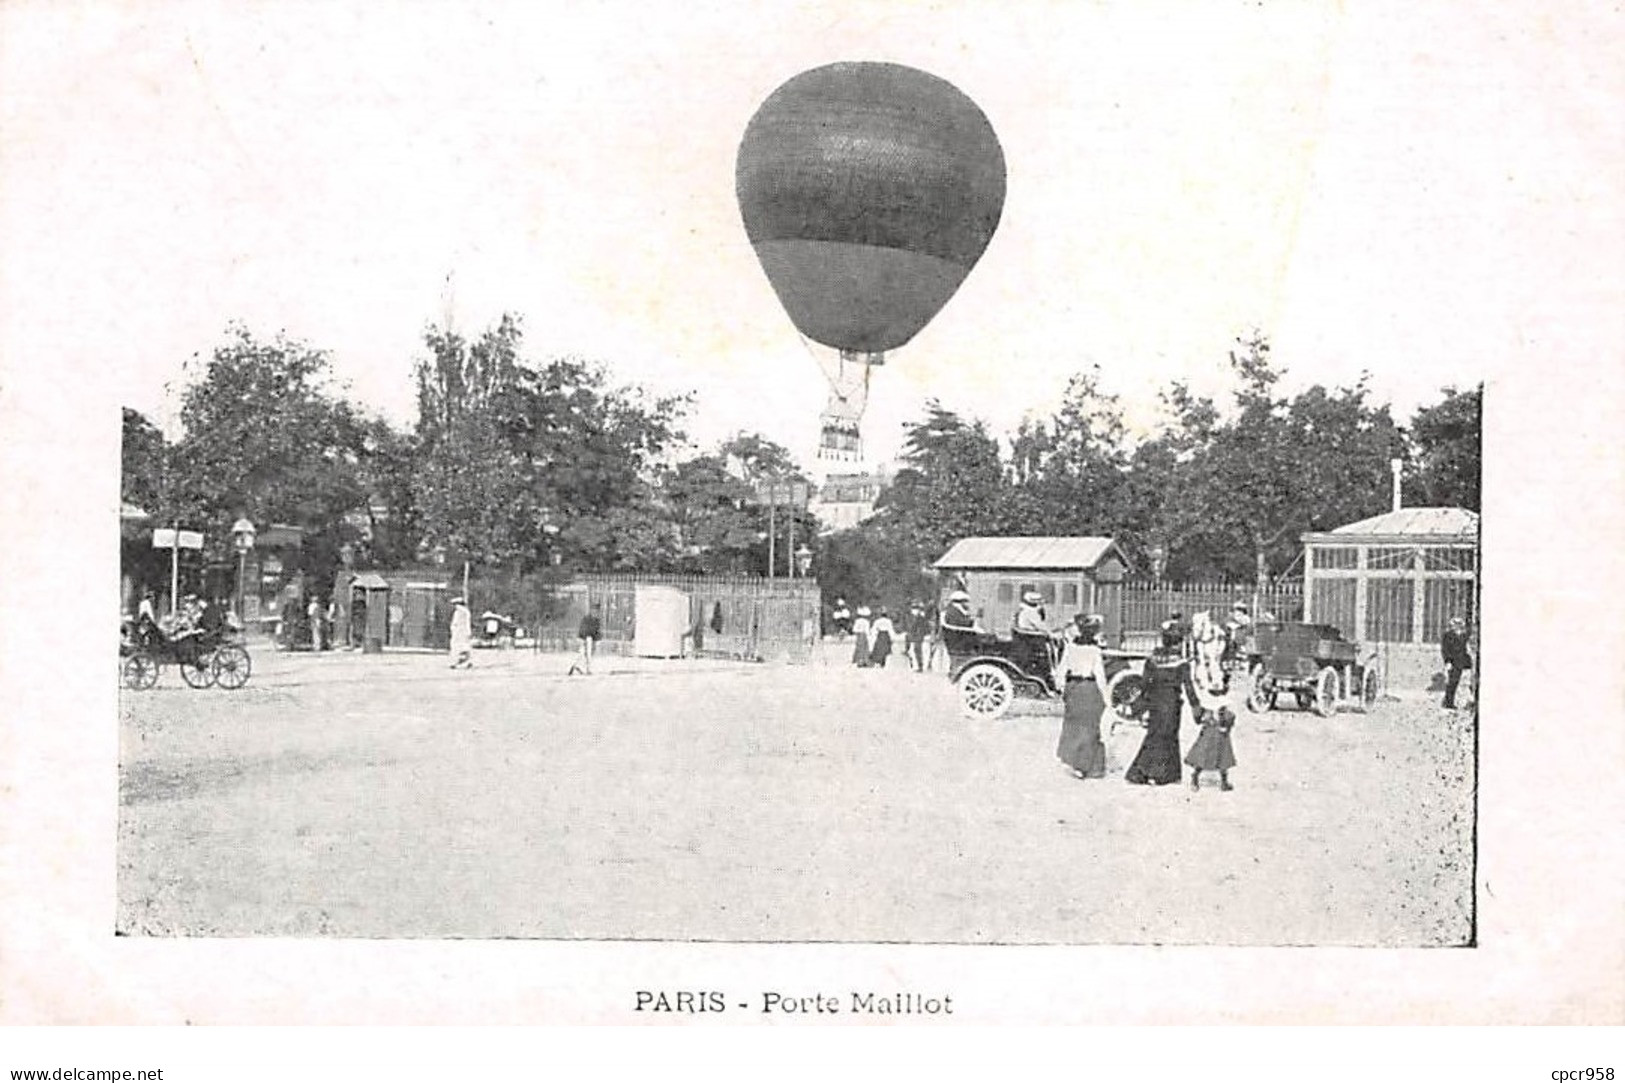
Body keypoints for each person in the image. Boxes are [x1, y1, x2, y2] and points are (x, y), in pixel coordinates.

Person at [1125, 619, 1200, 786]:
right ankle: (1165, 774)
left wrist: (1139, 701)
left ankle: (1142, 771)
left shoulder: (1152, 660)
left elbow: (1144, 683)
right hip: (1172, 704)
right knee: (1169, 737)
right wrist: (1196, 706)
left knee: (1153, 735)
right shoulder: (1181, 663)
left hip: (1155, 702)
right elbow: (1189, 688)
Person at [1055, 613, 1109, 780]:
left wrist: (1062, 688)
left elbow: (1061, 670)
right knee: (1090, 727)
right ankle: (1088, 766)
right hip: (1089, 688)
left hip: (1073, 687)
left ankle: (1072, 760)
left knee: (1073, 725)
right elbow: (1099, 675)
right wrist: (1106, 696)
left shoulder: (1071, 647)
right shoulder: (1094, 651)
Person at [1185, 630, 1238, 792]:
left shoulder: (1206, 662)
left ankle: (1203, 778)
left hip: (1211, 705)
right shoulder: (1210, 662)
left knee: (1208, 751)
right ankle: (1209, 779)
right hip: (1215, 705)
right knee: (1218, 751)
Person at [1011, 590, 1052, 682]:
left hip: (1026, 639)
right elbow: (1041, 627)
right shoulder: (1030, 613)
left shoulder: (1023, 610)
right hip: (1030, 641)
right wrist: (1051, 633)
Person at [1441, 615, 1473, 709]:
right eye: (1455, 624)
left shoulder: (1463, 635)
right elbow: (1445, 649)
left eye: (1459, 624)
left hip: (1462, 662)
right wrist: (1447, 661)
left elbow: (1466, 648)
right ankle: (1448, 702)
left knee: (1460, 682)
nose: (1457, 626)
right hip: (1452, 662)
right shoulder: (1447, 635)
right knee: (1452, 682)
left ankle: (1460, 702)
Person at [904, 602, 932, 672]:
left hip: (918, 636)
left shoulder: (920, 618)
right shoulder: (911, 617)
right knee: (912, 651)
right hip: (913, 636)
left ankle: (919, 666)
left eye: (916, 608)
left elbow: (924, 627)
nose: (914, 610)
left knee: (917, 651)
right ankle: (915, 665)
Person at [576, 604, 603, 674]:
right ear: (592, 611)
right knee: (585, 653)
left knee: (589, 654)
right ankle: (582, 667)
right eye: (595, 611)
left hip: (591, 639)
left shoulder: (597, 621)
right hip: (584, 638)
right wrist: (584, 639)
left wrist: (598, 639)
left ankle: (584, 667)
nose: (596, 613)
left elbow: (597, 632)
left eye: (597, 611)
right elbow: (583, 630)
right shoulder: (586, 619)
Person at [449, 596, 473, 669]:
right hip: (462, 632)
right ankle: (465, 662)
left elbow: (456, 623)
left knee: (458, 647)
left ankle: (457, 663)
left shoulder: (460, 612)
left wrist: (453, 629)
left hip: (459, 632)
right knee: (464, 647)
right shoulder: (466, 612)